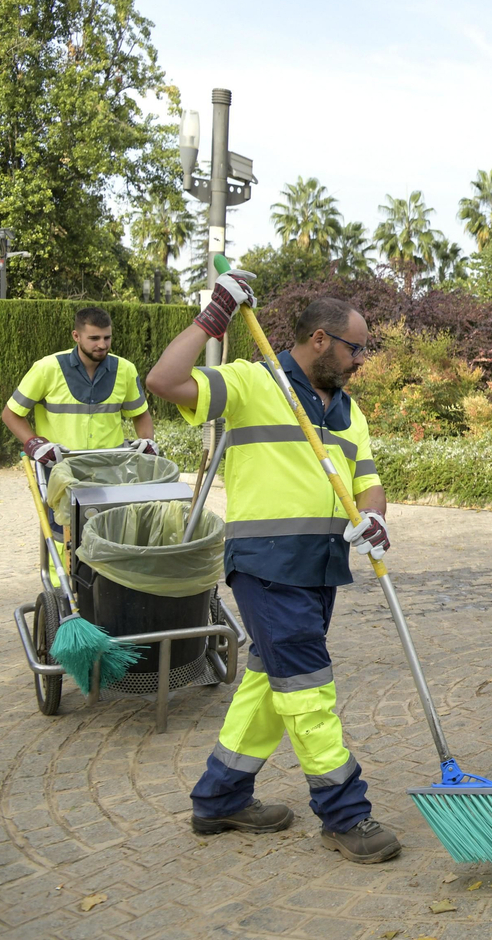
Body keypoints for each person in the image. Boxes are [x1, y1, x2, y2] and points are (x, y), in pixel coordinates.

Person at [146, 274, 402, 863]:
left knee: (269, 684)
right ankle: (345, 814)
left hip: (321, 568)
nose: (362, 359)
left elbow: (369, 483)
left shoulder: (348, 410)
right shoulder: (252, 382)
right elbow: (164, 381)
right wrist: (214, 318)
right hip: (265, 568)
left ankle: (220, 798)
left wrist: (375, 520)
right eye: (355, 347)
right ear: (319, 339)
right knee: (308, 686)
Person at [2, 306, 159, 467]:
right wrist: (35, 444)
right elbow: (10, 414)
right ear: (76, 336)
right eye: (94, 338)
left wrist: (147, 442)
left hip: (111, 468)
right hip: (59, 469)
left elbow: (140, 415)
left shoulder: (125, 370)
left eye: (107, 338)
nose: (102, 344)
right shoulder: (46, 368)